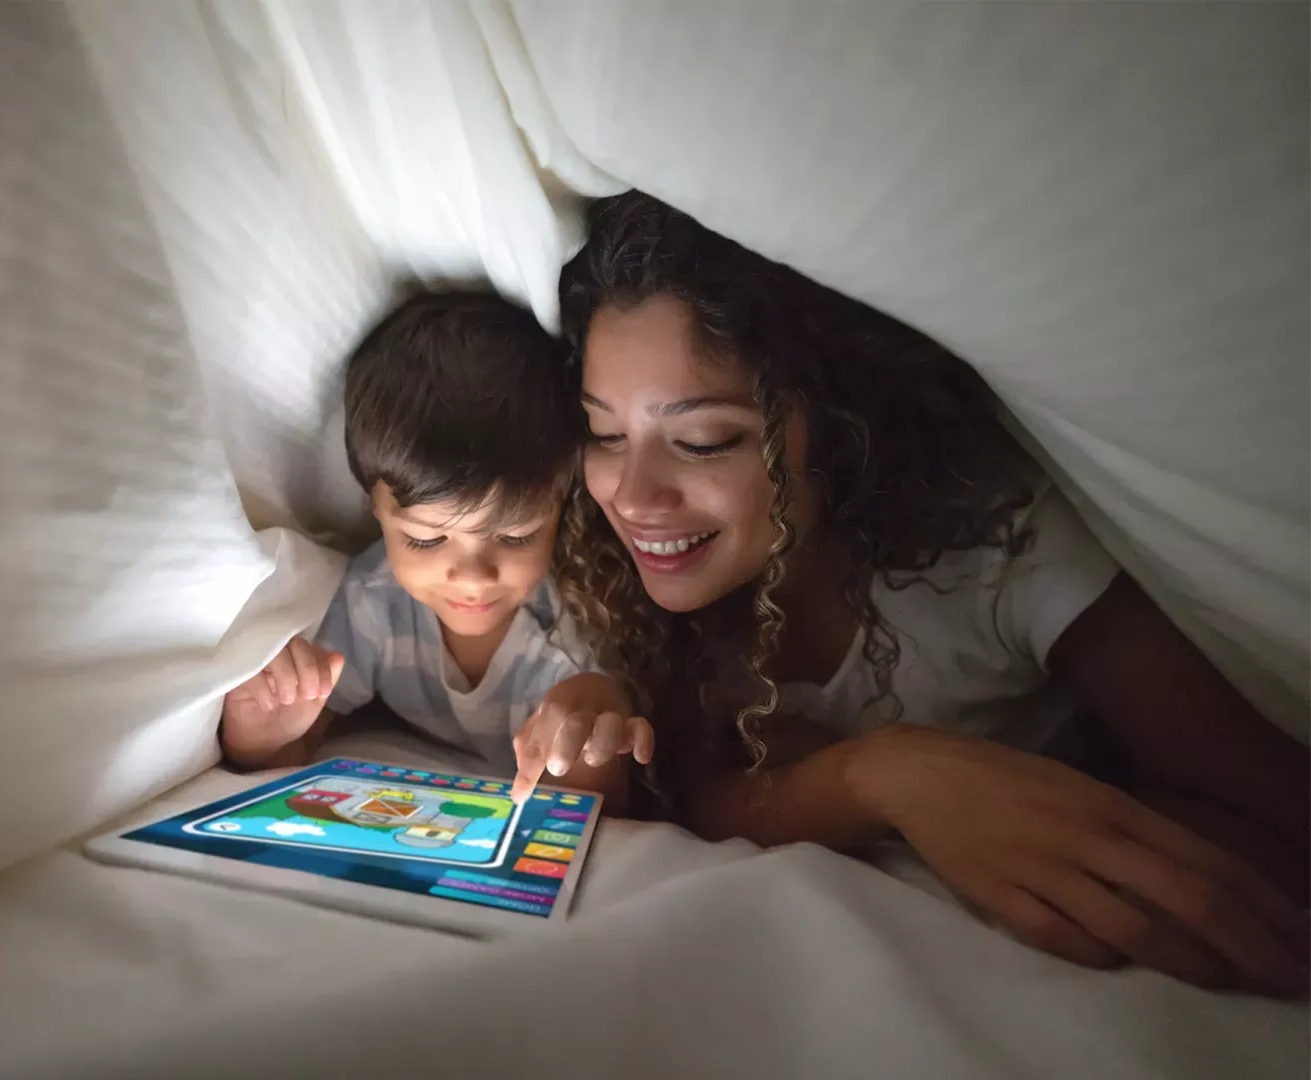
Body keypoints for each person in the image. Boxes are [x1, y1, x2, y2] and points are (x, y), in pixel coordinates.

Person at [513, 191, 1308, 997]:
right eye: (605, 435)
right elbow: (689, 800)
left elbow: (1273, 807)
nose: (635, 496)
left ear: (841, 425)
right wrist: (886, 777)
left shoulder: (996, 548)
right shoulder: (602, 562)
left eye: (704, 441)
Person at [219, 289, 652, 807]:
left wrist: (587, 745)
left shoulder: (576, 624)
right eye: (425, 539)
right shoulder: (372, 603)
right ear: (373, 509)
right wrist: (260, 736)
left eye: (516, 536)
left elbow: (604, 808)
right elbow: (291, 751)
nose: (472, 576)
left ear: (562, 502)